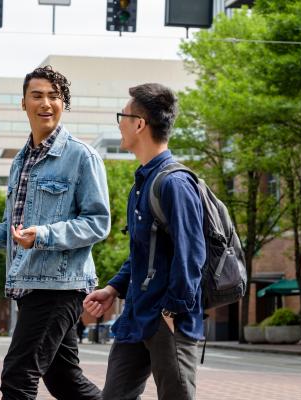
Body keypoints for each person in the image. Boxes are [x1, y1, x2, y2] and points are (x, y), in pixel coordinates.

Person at [0, 65, 110, 400]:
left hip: (59, 286)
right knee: (64, 380)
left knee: (18, 376)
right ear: (24, 103)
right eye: (38, 95)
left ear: (63, 103)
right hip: (28, 284)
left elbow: (98, 222)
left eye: (54, 96)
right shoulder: (21, 161)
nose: (46, 103)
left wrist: (44, 235)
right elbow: (14, 228)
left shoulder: (81, 157)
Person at [83, 83, 206, 400]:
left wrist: (173, 310)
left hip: (167, 319)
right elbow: (142, 255)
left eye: (122, 116)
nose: (120, 123)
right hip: (136, 314)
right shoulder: (142, 182)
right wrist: (114, 288)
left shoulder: (175, 183)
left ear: (139, 124)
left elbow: (192, 255)